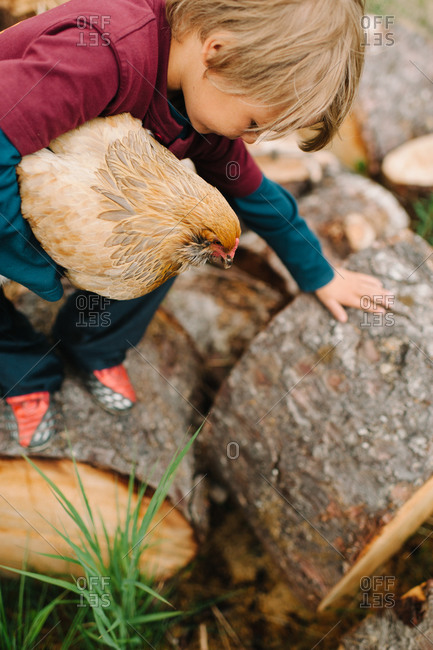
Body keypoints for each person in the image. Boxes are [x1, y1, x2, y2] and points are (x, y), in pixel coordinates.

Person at [0, 0, 390, 449]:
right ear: (218, 52)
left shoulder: (202, 102)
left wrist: (318, 271)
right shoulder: (103, 52)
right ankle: (22, 368)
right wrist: (34, 260)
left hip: (55, 178)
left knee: (184, 237)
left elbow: (253, 192)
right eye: (255, 123)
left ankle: (92, 344)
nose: (251, 139)